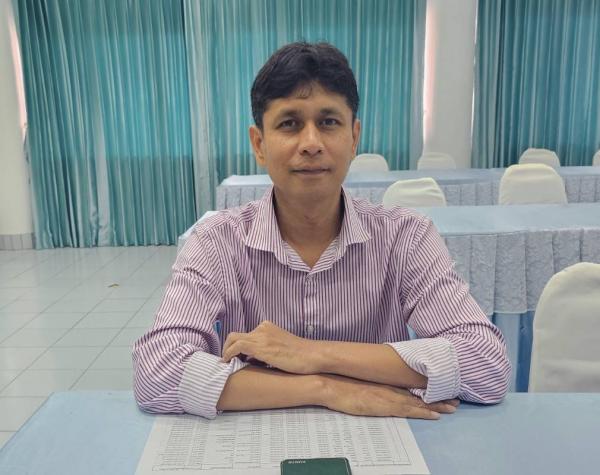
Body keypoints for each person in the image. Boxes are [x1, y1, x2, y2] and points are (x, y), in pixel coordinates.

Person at [133, 42, 510, 420]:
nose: (311, 144)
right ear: (259, 144)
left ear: (354, 137)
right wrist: (323, 388)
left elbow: (487, 365)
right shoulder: (217, 241)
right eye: (289, 123)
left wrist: (312, 353)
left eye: (328, 122)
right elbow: (157, 371)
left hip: (382, 438)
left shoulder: (406, 238)